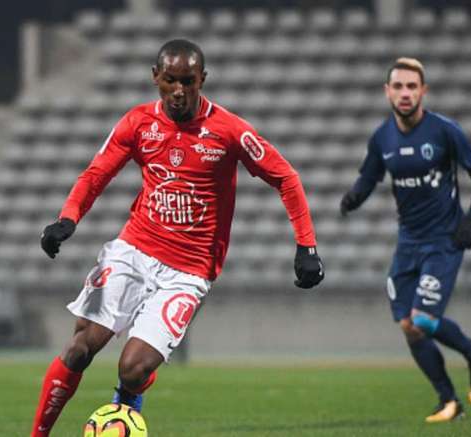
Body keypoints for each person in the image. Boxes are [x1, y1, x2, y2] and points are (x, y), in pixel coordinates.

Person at [31, 38, 324, 436]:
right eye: (171, 80)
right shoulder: (137, 123)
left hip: (188, 272)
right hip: (131, 251)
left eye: (188, 81)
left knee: (133, 369)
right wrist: (67, 219)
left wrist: (306, 245)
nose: (179, 90)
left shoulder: (229, 130)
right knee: (79, 347)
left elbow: (286, 177)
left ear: (203, 79)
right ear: (156, 77)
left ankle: (128, 396)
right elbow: (96, 173)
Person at [340, 58, 471, 423]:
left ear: (423, 91)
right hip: (408, 243)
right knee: (409, 326)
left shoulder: (444, 131)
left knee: (422, 319)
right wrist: (354, 197)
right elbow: (370, 176)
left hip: (443, 241)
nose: (405, 93)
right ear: (387, 92)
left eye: (412, 86)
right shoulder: (382, 138)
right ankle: (449, 402)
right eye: (398, 86)